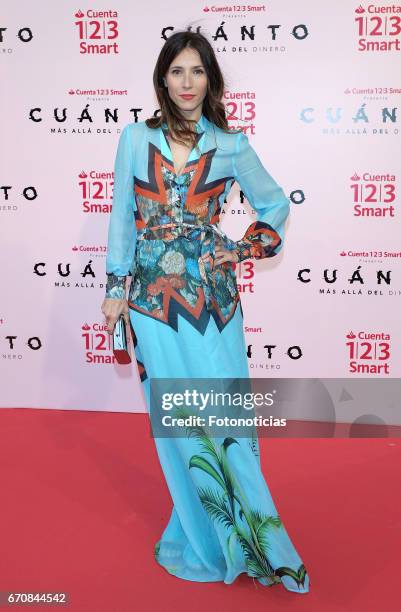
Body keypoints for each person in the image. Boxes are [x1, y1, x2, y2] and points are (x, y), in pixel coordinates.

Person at [101, 30, 310, 593]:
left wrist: (240, 247)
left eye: (198, 72)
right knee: (179, 427)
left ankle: (258, 543)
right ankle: (203, 533)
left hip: (212, 303)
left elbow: (274, 205)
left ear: (210, 80)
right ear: (163, 79)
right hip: (149, 304)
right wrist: (115, 287)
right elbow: (122, 218)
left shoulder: (231, 144)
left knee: (227, 422)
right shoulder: (132, 139)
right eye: (177, 72)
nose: (187, 83)